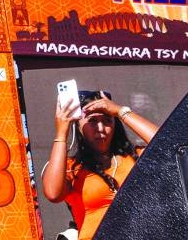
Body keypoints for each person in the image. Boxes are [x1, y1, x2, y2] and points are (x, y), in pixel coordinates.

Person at [42, 89, 159, 240]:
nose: (101, 129)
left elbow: (170, 144)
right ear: (77, 126)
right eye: (92, 121)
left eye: (107, 120)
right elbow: (53, 193)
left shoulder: (136, 157)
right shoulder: (72, 168)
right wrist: (61, 132)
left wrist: (120, 111)